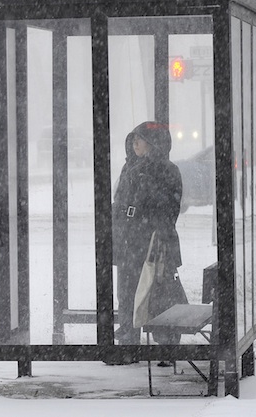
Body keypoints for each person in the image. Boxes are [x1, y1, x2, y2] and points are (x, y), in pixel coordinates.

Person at [112, 121, 184, 347]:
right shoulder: (129, 167)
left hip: (153, 241)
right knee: (126, 291)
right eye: (132, 139)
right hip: (128, 240)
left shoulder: (167, 170)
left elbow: (169, 208)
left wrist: (150, 225)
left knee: (157, 291)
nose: (135, 144)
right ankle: (128, 338)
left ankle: (166, 339)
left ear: (153, 143)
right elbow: (121, 199)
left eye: (139, 139)